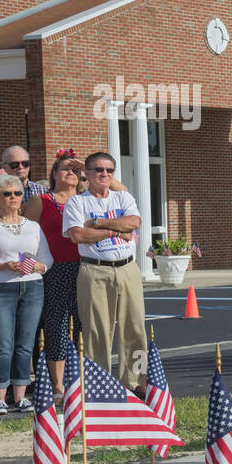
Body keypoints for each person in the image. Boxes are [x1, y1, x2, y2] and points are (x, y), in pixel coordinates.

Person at [62, 152, 146, 392]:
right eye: (98, 169)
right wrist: (115, 231)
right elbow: (78, 235)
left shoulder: (123, 197)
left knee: (135, 327)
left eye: (109, 170)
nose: (104, 174)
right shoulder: (77, 202)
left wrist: (98, 224)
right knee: (97, 330)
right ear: (86, 174)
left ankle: (136, 381)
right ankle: (99, 383)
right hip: (94, 270)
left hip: (128, 268)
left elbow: (133, 223)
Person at [0, 174, 52, 414]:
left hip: (32, 286)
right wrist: (3, 266)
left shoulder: (33, 226)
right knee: (3, 344)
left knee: (26, 344)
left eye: (17, 193)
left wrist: (40, 267)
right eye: (7, 194)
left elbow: (47, 257)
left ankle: (20, 396)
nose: (14, 198)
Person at [24, 151, 85, 397]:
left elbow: (119, 190)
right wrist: (30, 268)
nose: (70, 173)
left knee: (83, 324)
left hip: (86, 267)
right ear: (54, 174)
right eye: (64, 169)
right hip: (54, 270)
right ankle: (57, 385)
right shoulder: (42, 201)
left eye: (74, 170)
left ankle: (82, 378)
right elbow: (24, 237)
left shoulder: (87, 199)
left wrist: (85, 166)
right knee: (56, 325)